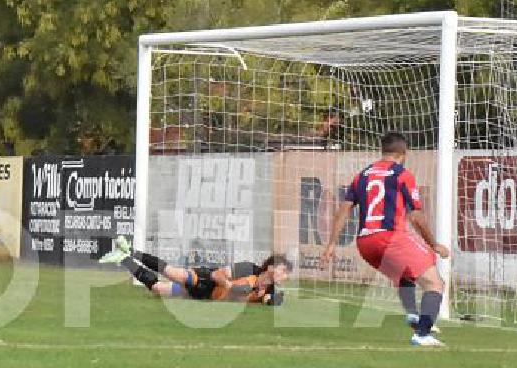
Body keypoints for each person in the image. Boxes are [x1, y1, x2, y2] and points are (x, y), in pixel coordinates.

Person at [321, 132, 450, 347]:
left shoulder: (361, 176)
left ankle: (412, 314)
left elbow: (342, 211)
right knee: (434, 283)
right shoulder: (402, 174)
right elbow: (416, 217)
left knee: (405, 274)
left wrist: (332, 243)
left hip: (365, 243)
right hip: (389, 238)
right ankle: (422, 334)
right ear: (403, 153)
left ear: (383, 151)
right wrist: (434, 244)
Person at [100, 236, 291, 304]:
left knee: (158, 289)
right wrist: (231, 286)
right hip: (206, 279)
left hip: (205, 296)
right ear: (271, 267)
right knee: (172, 273)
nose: (285, 276)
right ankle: (131, 250)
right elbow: (217, 274)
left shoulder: (269, 289)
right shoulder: (249, 268)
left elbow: (268, 300)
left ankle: (124, 259)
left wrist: (275, 301)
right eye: (283, 270)